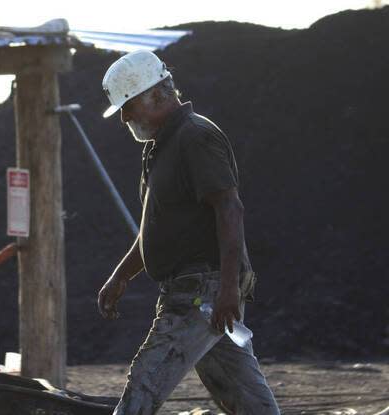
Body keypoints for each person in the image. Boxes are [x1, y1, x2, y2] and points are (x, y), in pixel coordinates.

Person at [97, 50, 280, 415]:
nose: (124, 117)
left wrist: (229, 288)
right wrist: (120, 277)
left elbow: (230, 209)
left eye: (128, 106)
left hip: (202, 292)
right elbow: (156, 228)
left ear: (156, 95)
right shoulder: (162, 147)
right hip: (202, 291)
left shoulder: (195, 137)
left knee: (144, 385)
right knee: (245, 397)